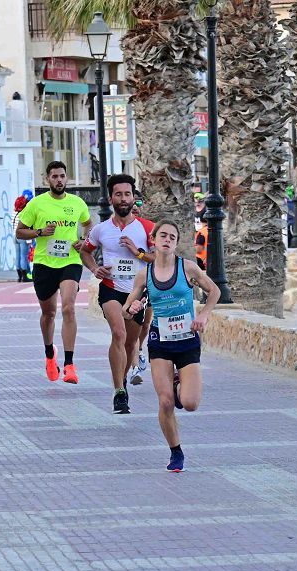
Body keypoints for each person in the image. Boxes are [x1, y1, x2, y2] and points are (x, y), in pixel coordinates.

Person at [123, 222, 220, 472]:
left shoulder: (187, 267)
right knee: (165, 402)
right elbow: (126, 308)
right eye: (163, 235)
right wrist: (131, 308)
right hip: (160, 342)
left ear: (177, 242)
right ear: (153, 240)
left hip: (187, 341)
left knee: (189, 403)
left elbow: (215, 291)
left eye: (172, 237)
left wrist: (204, 315)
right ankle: (176, 452)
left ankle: (179, 387)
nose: (167, 240)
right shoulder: (145, 274)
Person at [81, 174, 155, 414]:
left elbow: (162, 258)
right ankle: (119, 392)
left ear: (134, 197)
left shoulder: (146, 228)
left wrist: (138, 252)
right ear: (111, 197)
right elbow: (85, 251)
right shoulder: (101, 229)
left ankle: (122, 380)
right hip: (111, 290)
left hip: (138, 294)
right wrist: (94, 269)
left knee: (132, 342)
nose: (123, 199)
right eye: (118, 194)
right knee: (119, 333)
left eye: (127, 194)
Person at [15, 161, 93, 384]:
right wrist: (39, 231)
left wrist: (83, 240)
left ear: (66, 178)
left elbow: (88, 224)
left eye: (62, 176)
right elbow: (20, 232)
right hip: (44, 264)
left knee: (68, 308)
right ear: (47, 179)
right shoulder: (37, 204)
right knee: (49, 314)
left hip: (70, 261)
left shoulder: (77, 203)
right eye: (54, 177)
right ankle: (50, 355)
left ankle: (69, 364)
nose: (59, 180)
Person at [129, 191, 155, 386]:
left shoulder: (148, 228)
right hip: (128, 285)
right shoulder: (120, 228)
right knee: (133, 325)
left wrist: (138, 254)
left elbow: (156, 257)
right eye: (132, 202)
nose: (136, 206)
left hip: (150, 281)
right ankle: (135, 367)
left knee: (145, 324)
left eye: (139, 202)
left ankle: (138, 349)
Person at [12, 196, 32, 282]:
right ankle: (25, 276)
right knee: (24, 256)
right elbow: (26, 226)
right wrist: (29, 240)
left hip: (15, 236)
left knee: (18, 255)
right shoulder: (23, 214)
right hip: (23, 236)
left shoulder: (14, 213)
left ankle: (19, 276)